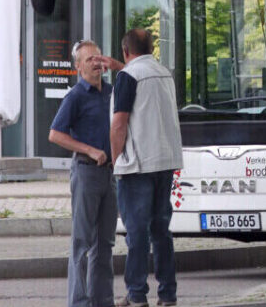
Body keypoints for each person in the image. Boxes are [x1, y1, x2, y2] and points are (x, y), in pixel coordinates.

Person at [98, 29, 183, 307]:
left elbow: (119, 123)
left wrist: (115, 159)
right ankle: (168, 295)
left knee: (136, 233)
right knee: (161, 231)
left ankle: (136, 294)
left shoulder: (127, 77)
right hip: (165, 163)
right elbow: (140, 81)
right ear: (150, 48)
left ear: (125, 51)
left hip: (137, 166)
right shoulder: (164, 74)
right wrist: (119, 67)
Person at [48, 40, 116, 307]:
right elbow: (55, 134)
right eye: (89, 60)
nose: (96, 63)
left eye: (98, 58)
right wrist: (89, 150)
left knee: (105, 244)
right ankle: (79, 302)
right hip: (86, 172)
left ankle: (103, 301)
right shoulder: (75, 96)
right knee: (82, 243)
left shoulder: (111, 92)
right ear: (78, 67)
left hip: (110, 175)